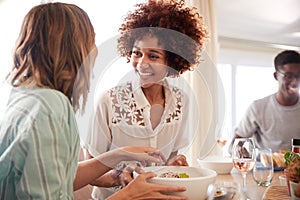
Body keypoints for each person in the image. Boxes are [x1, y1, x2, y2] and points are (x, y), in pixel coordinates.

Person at [0, 2, 188, 200]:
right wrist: (128, 196)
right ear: (73, 48)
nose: (95, 50)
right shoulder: (50, 107)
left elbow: (64, 177)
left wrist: (120, 155)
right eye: (91, 41)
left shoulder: (25, 96)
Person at [85, 0, 208, 199]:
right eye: (136, 53)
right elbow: (90, 173)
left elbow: (168, 162)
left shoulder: (181, 101)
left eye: (153, 56)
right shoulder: (109, 100)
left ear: (172, 61)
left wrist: (174, 164)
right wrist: (121, 177)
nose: (141, 63)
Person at [231, 50, 300, 153]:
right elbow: (236, 143)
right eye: (288, 76)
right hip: (266, 168)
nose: (295, 82)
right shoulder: (258, 108)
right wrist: (242, 152)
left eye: (298, 75)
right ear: (276, 76)